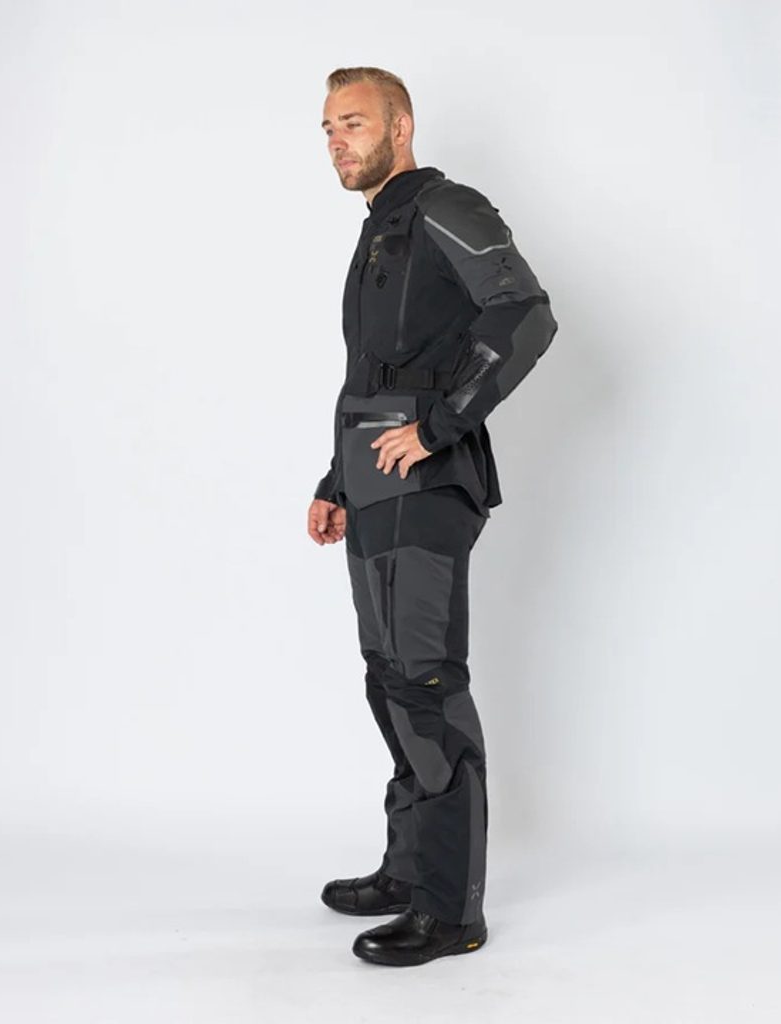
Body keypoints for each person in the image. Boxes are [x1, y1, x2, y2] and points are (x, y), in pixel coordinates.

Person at [307, 66, 558, 967]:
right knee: (388, 679)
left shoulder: (448, 207)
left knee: (425, 684)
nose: (337, 140)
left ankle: (451, 912)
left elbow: (526, 315)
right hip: (373, 488)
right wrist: (335, 481)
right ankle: (411, 869)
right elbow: (371, 375)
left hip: (428, 488)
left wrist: (441, 425)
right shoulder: (382, 228)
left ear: (401, 127)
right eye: (328, 127)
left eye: (354, 122)